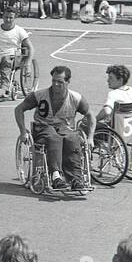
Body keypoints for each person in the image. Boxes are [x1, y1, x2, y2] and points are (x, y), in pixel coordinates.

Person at [15, 64, 94, 197]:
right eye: (54, 81)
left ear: (68, 82)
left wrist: (90, 137)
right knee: (54, 138)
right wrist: (23, 131)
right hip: (43, 127)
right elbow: (18, 109)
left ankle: (76, 179)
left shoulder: (76, 98)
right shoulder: (39, 95)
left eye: (60, 82)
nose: (56, 84)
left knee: (72, 138)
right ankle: (56, 176)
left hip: (64, 127)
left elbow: (91, 116)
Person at [0, 9, 33, 92]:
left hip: (13, 56)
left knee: (6, 60)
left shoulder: (20, 31)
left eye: (11, 18)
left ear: (15, 18)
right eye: (6, 17)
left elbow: (30, 48)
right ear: (3, 17)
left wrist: (28, 63)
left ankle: (4, 88)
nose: (8, 20)